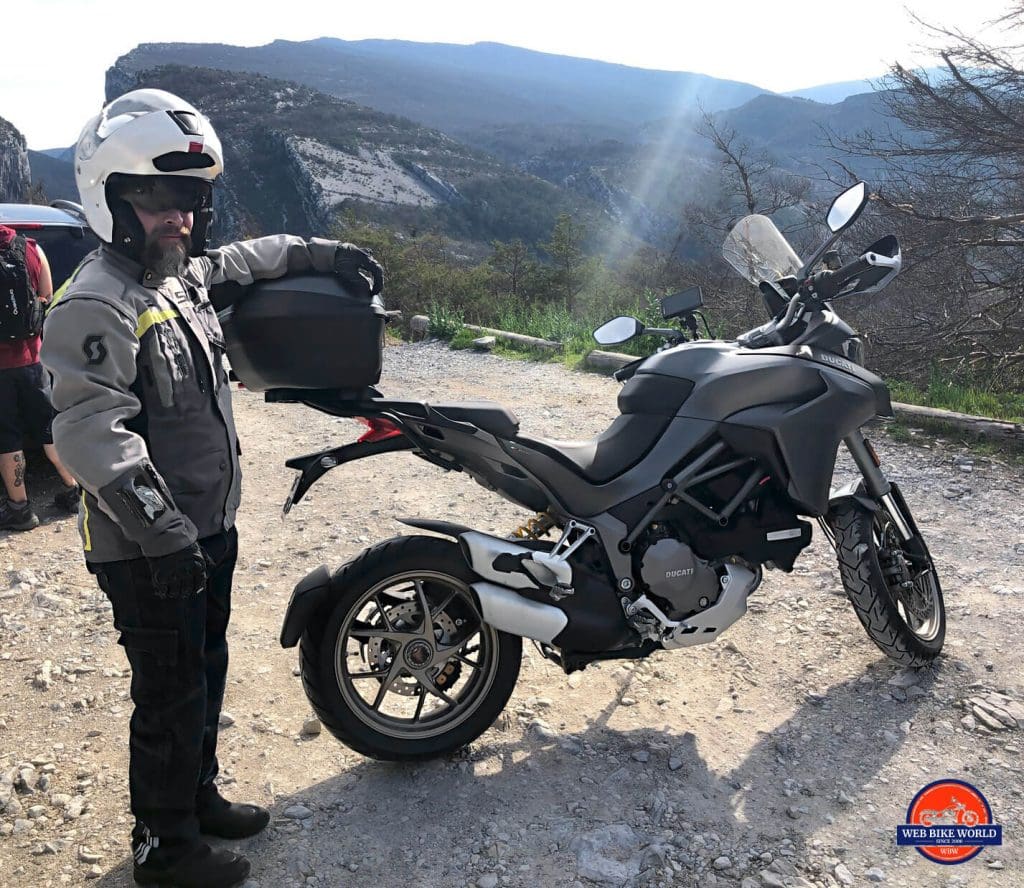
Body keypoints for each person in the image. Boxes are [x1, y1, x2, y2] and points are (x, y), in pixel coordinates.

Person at [40, 89, 384, 888]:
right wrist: (164, 535)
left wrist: (323, 252)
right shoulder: (97, 300)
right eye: (159, 198)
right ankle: (166, 847)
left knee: (205, 670)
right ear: (112, 198)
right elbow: (92, 432)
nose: (180, 217)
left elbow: (242, 262)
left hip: (204, 530)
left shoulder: (176, 278)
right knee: (167, 693)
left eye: (192, 199)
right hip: (148, 543)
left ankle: (196, 799)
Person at [0, 225, 81, 531]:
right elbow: (46, 296)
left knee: (7, 436)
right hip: (34, 360)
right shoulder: (31, 248)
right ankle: (74, 490)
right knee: (49, 426)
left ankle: (20, 510)